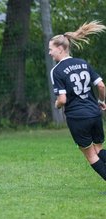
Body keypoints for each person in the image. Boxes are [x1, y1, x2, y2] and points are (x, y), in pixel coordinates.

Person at [49, 20, 106, 181]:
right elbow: (101, 86)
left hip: (77, 117)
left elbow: (62, 99)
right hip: (95, 114)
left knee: (90, 155)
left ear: (60, 48)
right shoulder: (83, 63)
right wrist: (101, 102)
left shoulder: (57, 70)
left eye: (51, 49)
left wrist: (57, 104)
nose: (50, 53)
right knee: (99, 150)